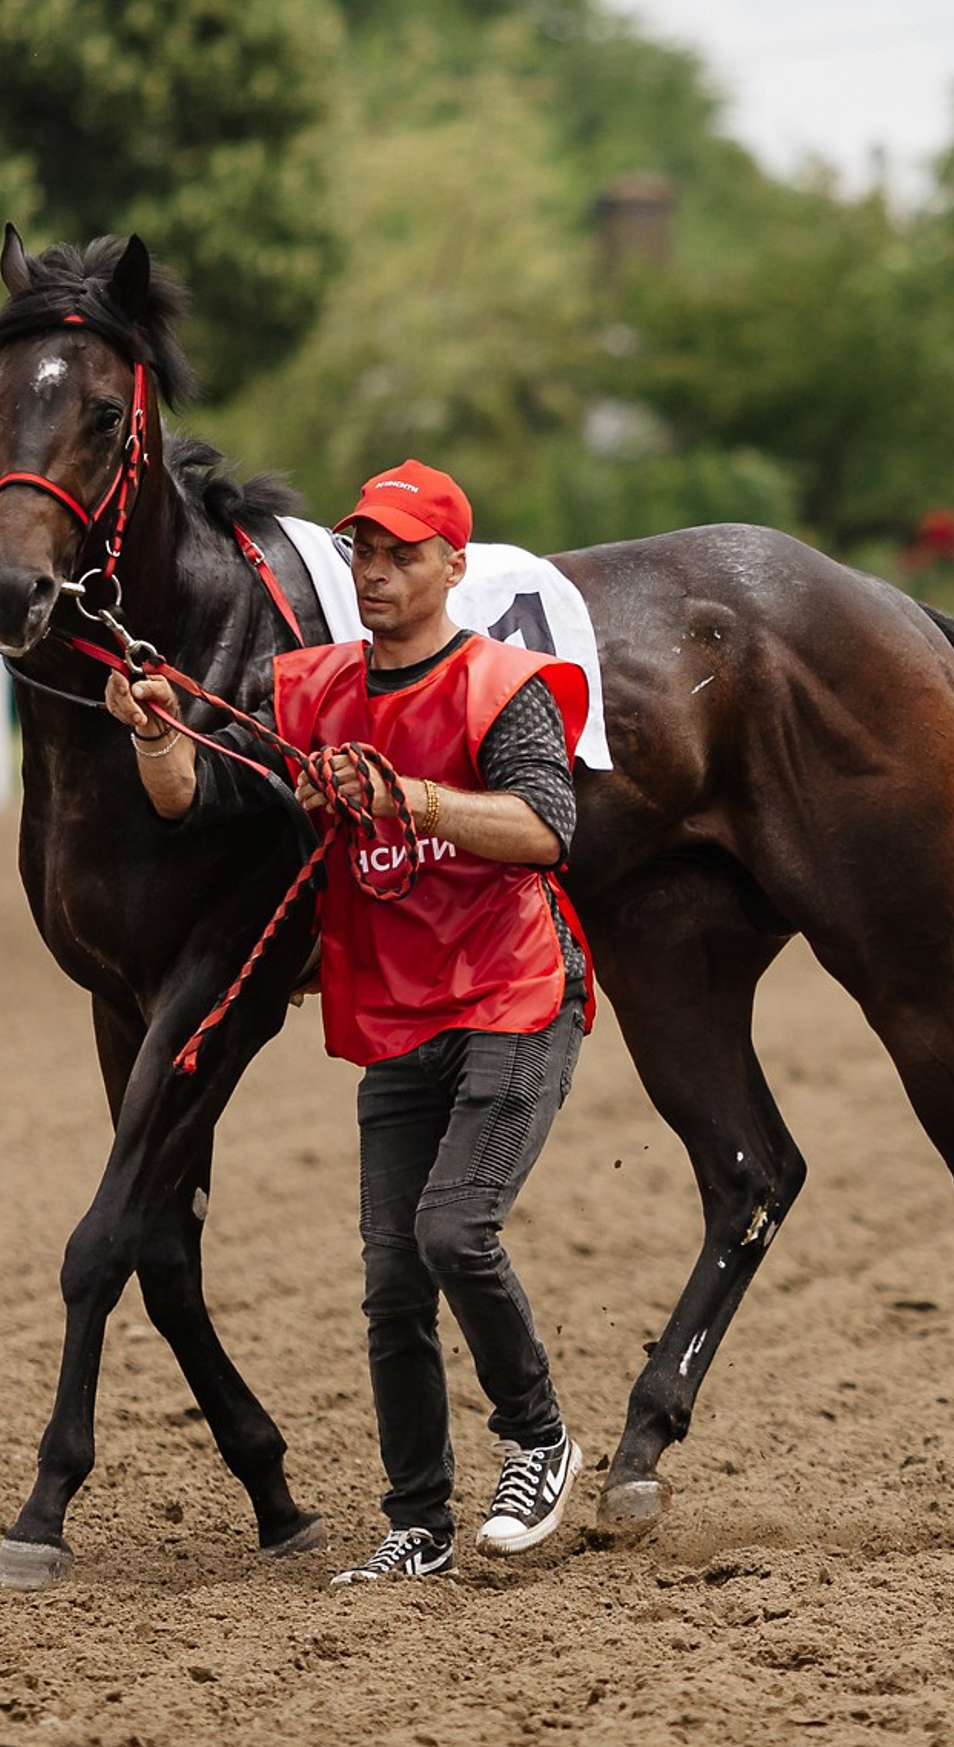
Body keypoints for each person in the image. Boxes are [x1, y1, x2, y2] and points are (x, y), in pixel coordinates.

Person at [106, 460, 594, 1584]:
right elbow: (201, 799)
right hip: (398, 1008)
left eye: (402, 553)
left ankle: (539, 1439)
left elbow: (546, 828)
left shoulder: (501, 684)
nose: (375, 571)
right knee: (389, 1283)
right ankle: (417, 1522)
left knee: (450, 1232)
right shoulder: (313, 688)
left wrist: (411, 799)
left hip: (516, 993)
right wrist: (156, 733)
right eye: (363, 551)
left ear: (453, 568)